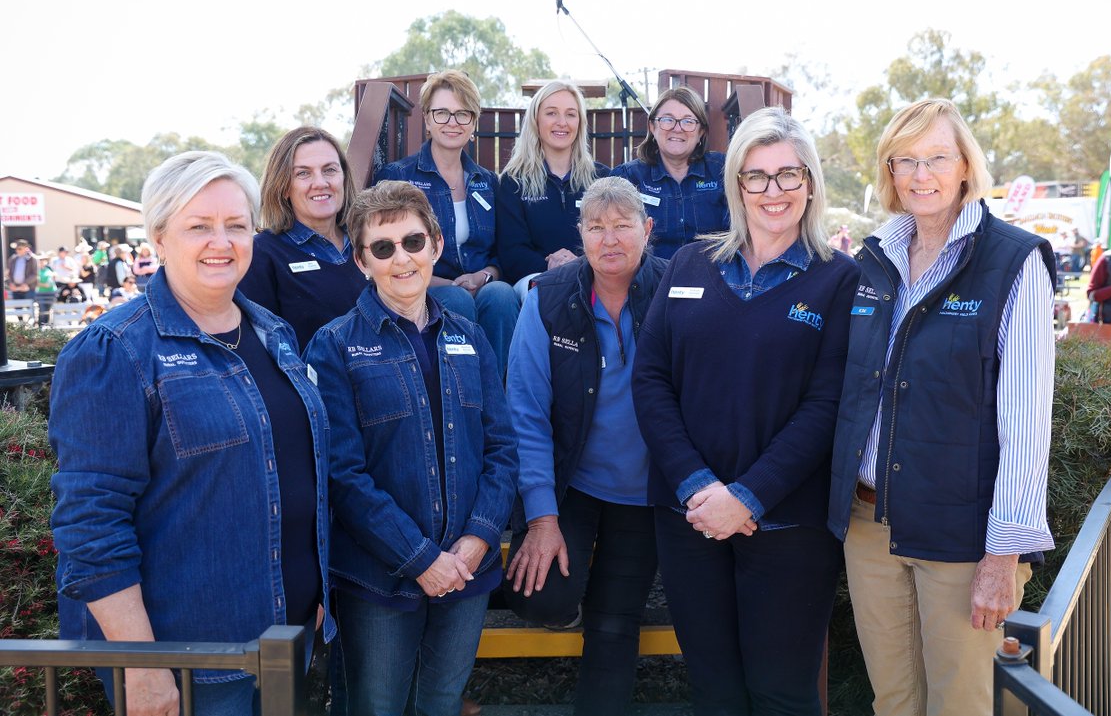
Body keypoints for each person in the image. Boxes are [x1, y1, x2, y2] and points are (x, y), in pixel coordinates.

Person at [49, 150, 334, 716]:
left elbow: (299, 471)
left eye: (235, 225)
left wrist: (315, 588)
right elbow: (91, 522)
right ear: (158, 237)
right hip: (192, 663)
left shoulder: (273, 332)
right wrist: (141, 666)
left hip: (289, 642)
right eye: (198, 226)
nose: (221, 242)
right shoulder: (117, 350)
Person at [827, 98, 1056, 716]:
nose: (921, 174)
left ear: (964, 167)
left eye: (937, 158)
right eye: (906, 160)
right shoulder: (875, 260)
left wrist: (1003, 553)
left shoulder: (1013, 262)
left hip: (960, 533)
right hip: (869, 523)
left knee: (959, 704)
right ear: (890, 172)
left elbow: (1027, 424)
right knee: (894, 700)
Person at [632, 107, 859, 715]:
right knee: (714, 691)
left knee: (782, 693)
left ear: (810, 183)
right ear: (736, 186)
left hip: (788, 524)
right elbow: (650, 380)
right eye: (756, 176)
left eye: (789, 174)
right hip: (690, 516)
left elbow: (827, 404)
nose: (773, 190)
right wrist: (698, 486)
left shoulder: (841, 280)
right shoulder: (688, 265)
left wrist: (748, 497)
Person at [306, 180, 518, 716]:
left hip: (467, 573)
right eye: (383, 248)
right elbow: (341, 474)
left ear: (436, 246)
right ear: (361, 261)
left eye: (413, 242)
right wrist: (420, 558)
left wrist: (478, 540)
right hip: (380, 581)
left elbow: (501, 449)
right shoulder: (333, 346)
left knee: (442, 704)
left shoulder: (468, 335)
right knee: (375, 707)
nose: (402, 258)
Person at [504, 177, 667, 716]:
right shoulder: (547, 299)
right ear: (580, 235)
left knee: (615, 621)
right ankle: (564, 588)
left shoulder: (676, 292)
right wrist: (542, 519)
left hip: (646, 490)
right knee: (544, 599)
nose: (610, 239)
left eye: (623, 225)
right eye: (596, 227)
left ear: (647, 229)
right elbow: (525, 413)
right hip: (573, 480)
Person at [375, 70, 520, 369]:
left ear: (473, 123)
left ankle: (497, 394)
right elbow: (387, 248)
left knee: (502, 295)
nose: (452, 123)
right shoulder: (399, 177)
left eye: (462, 114)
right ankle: (458, 394)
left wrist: (485, 276)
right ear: (427, 120)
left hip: (479, 284)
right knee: (456, 301)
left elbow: (502, 253)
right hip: (425, 284)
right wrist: (450, 283)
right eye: (442, 113)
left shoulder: (488, 181)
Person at [238, 126, 365, 352]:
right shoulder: (262, 255)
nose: (320, 182)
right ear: (284, 186)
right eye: (303, 173)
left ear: (343, 177)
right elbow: (258, 348)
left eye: (330, 170)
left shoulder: (368, 242)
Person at [497, 80, 607, 298]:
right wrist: (551, 266)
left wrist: (579, 265)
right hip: (535, 279)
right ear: (536, 120)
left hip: (593, 276)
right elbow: (512, 252)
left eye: (570, 114)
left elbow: (611, 239)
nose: (562, 122)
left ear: (580, 122)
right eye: (551, 113)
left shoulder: (602, 179)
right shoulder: (513, 181)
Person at [612, 86, 727, 259]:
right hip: (651, 282)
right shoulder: (629, 177)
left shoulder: (722, 170)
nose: (677, 128)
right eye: (668, 119)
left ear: (701, 131)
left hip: (714, 280)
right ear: (652, 126)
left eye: (688, 121)